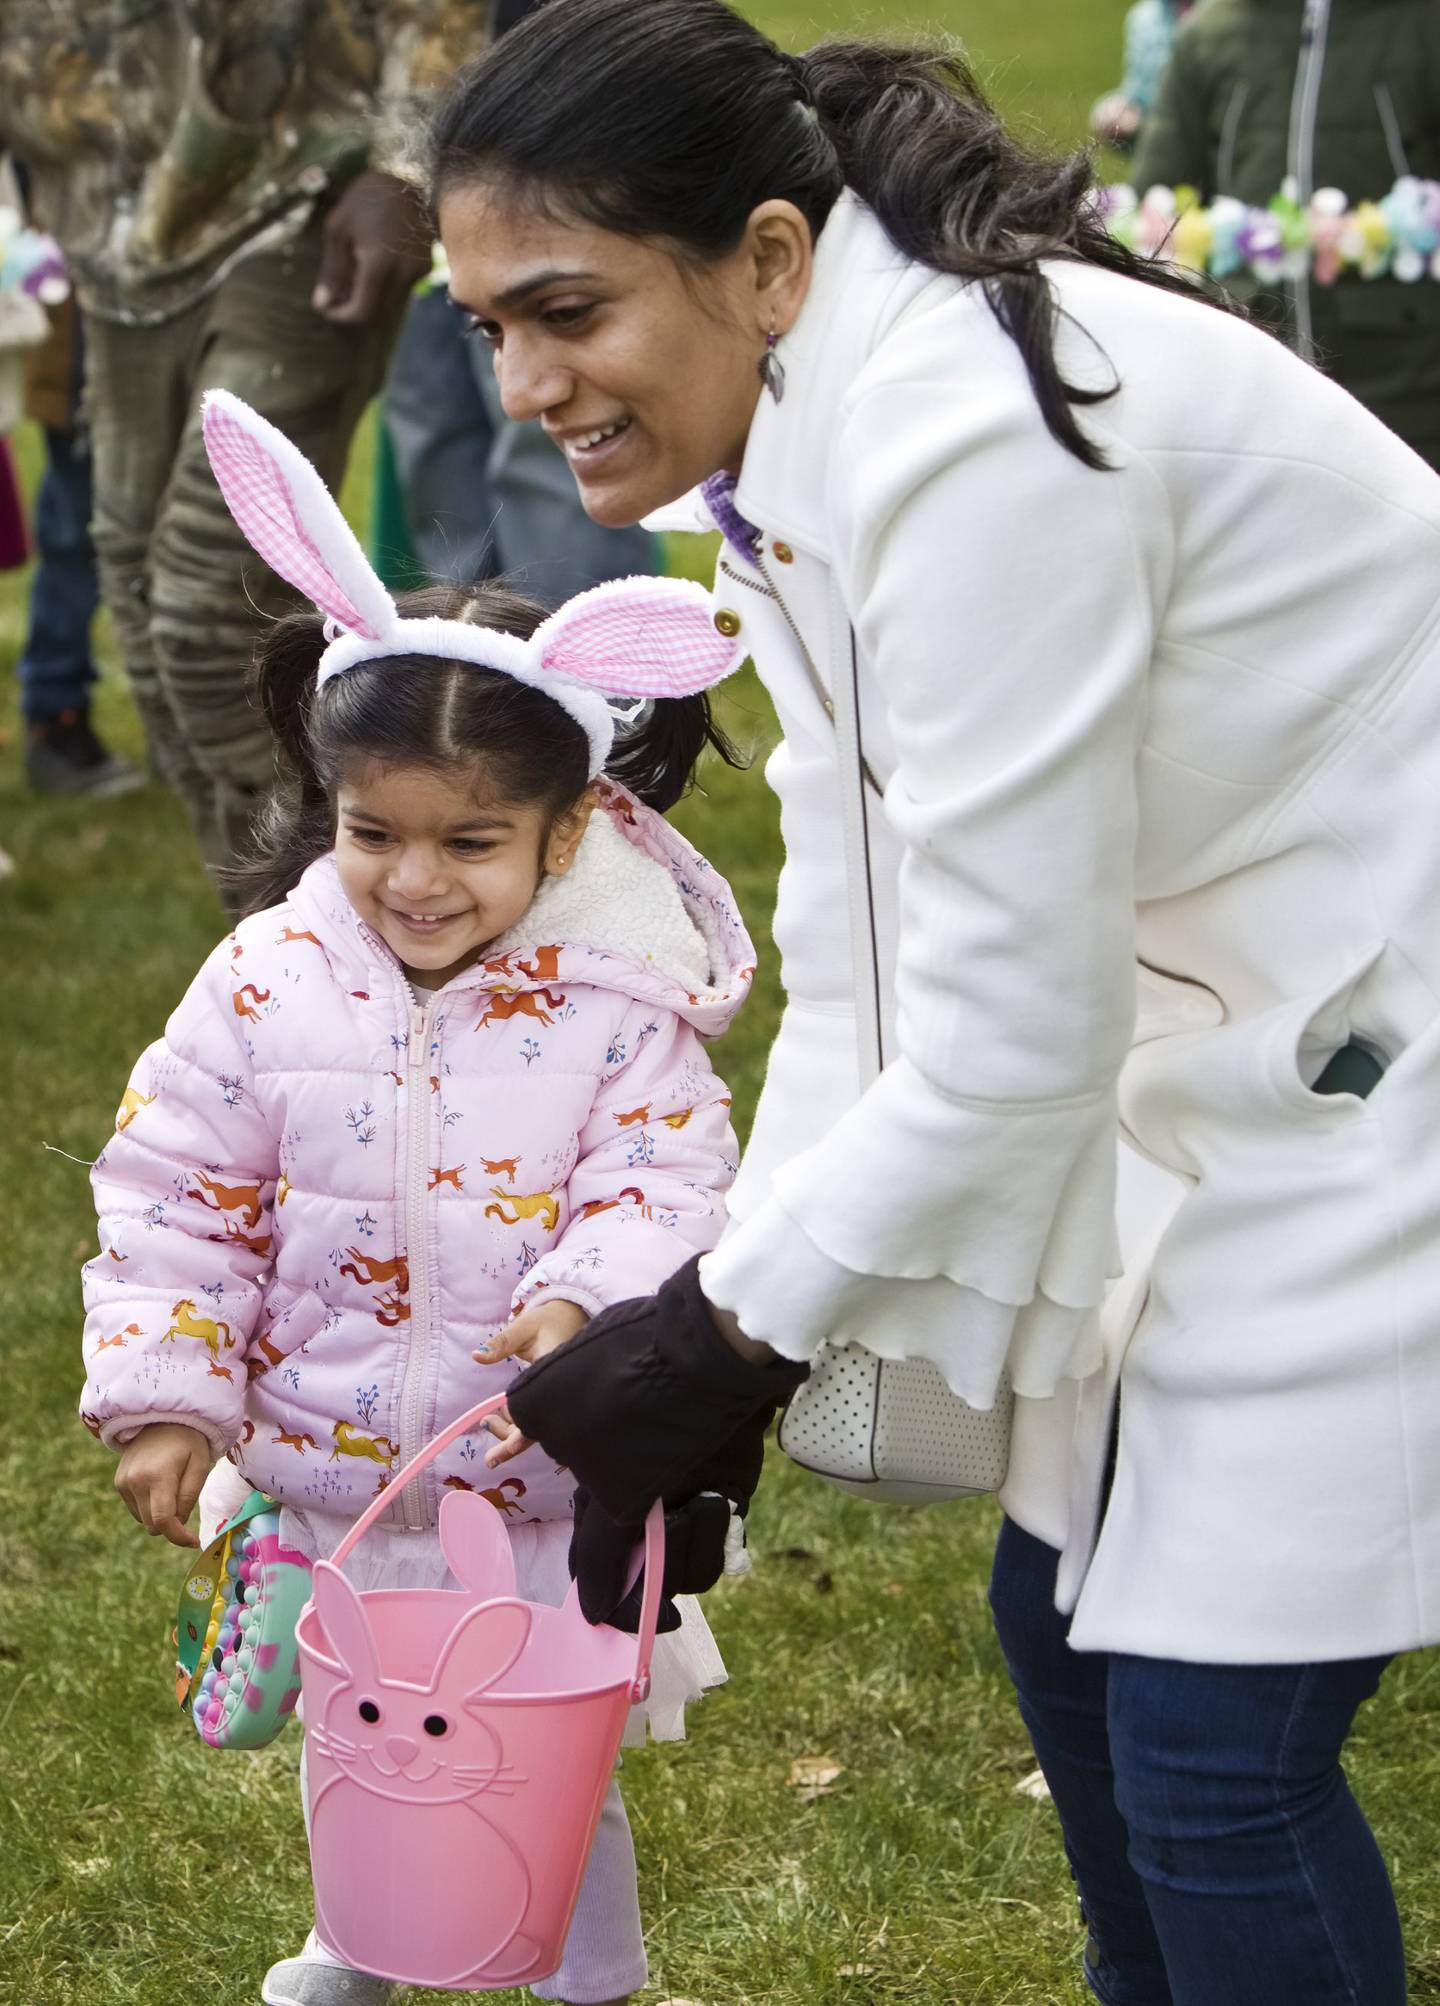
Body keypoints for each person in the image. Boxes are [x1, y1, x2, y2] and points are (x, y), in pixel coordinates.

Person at [425, 3, 1440, 2000]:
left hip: (1377, 1052)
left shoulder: (976, 434)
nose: (527, 380)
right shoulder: (809, 426)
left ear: (770, 257)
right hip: (1243, 1026)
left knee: (1219, 1759)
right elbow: (871, 933)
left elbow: (1009, 1039)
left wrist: (721, 1341)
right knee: (1067, 1636)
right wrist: (721, 1310)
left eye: (568, 308)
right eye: (487, 328)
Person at [78, 391, 755, 2006]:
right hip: (329, 1473)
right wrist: (171, 1394)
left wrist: (590, 1295)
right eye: (375, 831)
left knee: (535, 1745)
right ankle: (361, 1941)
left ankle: (591, 1973)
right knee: (362, 1718)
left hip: (525, 1479)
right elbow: (177, 1187)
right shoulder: (265, 982)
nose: (418, 877)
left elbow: (673, 1174)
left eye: (474, 839)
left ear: (570, 825)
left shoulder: (616, 1007)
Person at [0, 1, 493, 892]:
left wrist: (406, 170)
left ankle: (342, 921)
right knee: (141, 606)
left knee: (207, 605)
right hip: (109, 234)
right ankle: (275, 943)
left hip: (295, 200)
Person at [1130, 0, 1440, 469]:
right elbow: (1156, 208)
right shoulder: (1209, 35)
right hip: (1255, 378)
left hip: (1409, 391)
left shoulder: (1423, 27)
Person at [1089, 0, 1194, 153]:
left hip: (1201, 123)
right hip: (1151, 123)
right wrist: (1119, 110)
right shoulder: (1142, 17)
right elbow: (1135, 88)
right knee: (1105, 116)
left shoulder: (1221, 15)